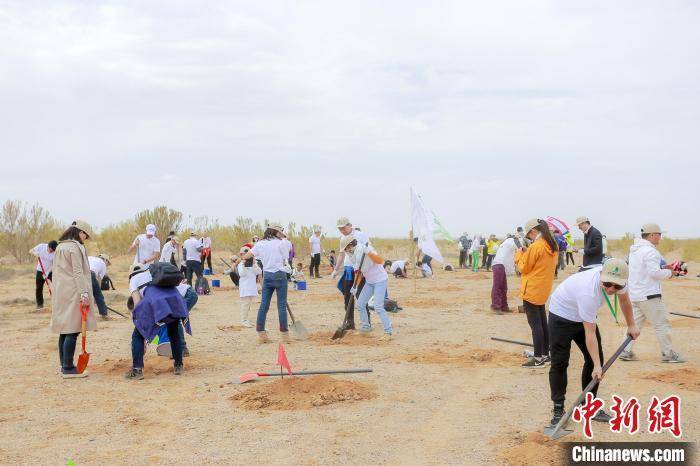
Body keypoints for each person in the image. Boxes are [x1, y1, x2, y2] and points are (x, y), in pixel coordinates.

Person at [547, 259, 640, 427]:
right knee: (560, 362)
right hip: (561, 315)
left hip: (582, 316)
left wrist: (632, 324)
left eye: (617, 286)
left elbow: (625, 301)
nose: (611, 289)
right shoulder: (588, 292)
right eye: (607, 284)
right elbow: (590, 333)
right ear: (601, 276)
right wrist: (598, 365)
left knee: (595, 359)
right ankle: (558, 408)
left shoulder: (619, 279)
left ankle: (589, 405)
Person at [620, 223, 685, 363]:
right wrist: (670, 273)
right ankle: (668, 354)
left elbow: (644, 269)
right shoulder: (650, 251)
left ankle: (625, 351)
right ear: (652, 235)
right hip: (650, 295)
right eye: (659, 234)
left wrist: (665, 267)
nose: (660, 237)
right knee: (662, 324)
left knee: (633, 325)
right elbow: (654, 272)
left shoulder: (634, 250)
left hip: (636, 295)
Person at [50, 220, 96, 378]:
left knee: (64, 329)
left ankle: (64, 365)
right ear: (80, 232)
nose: (85, 238)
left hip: (61, 291)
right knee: (73, 330)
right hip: (73, 292)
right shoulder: (75, 248)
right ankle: (68, 368)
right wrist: (84, 294)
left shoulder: (60, 246)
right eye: (85, 235)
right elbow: (78, 272)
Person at [126, 263, 187, 379]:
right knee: (173, 332)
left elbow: (137, 303)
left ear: (131, 274)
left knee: (137, 336)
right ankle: (178, 366)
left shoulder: (133, 279)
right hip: (174, 300)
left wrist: (137, 322)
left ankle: (137, 370)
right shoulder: (155, 273)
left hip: (155, 302)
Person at [516, 219, 558, 367]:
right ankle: (545, 355)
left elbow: (523, 268)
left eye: (529, 236)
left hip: (532, 289)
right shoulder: (552, 245)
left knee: (535, 325)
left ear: (533, 231)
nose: (529, 238)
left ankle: (538, 357)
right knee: (542, 323)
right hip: (542, 289)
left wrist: (519, 256)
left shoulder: (537, 246)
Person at [240, 223, 291, 343]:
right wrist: (283, 236)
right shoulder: (282, 242)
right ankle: (285, 335)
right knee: (281, 305)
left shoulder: (260, 244)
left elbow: (247, 255)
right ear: (276, 232)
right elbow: (286, 256)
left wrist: (242, 258)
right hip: (279, 274)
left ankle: (261, 333)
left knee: (264, 305)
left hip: (267, 275)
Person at [342, 235, 393, 340]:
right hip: (369, 282)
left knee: (378, 306)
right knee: (360, 304)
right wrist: (355, 286)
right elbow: (359, 272)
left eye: (346, 248)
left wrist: (369, 252)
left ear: (351, 245)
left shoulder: (364, 249)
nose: (346, 251)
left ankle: (388, 332)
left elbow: (380, 261)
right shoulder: (353, 256)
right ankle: (366, 327)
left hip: (380, 280)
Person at [332, 217, 371, 329]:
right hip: (348, 269)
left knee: (360, 295)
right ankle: (350, 322)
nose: (342, 230)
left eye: (343, 228)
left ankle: (367, 322)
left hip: (359, 270)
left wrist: (365, 269)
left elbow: (369, 249)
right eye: (340, 229)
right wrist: (336, 269)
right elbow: (341, 254)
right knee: (347, 295)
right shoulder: (342, 239)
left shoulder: (360, 235)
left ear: (350, 225)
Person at [491, 235, 518, 313]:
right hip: (499, 265)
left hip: (500, 266)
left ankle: (504, 306)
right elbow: (520, 247)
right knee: (498, 286)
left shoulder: (507, 244)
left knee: (504, 287)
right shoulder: (510, 242)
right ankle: (495, 306)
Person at [237, 246, 260, 328]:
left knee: (248, 305)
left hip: (251, 288)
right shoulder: (240, 264)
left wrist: (254, 264)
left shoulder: (253, 264)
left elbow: (258, 272)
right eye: (244, 253)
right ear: (241, 255)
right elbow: (242, 274)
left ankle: (246, 319)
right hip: (245, 287)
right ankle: (244, 320)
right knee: (245, 304)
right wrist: (243, 264)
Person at [30, 240, 57, 310]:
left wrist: (47, 272)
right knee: (39, 288)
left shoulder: (56, 253)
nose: (50, 252)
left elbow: (54, 265)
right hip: (40, 270)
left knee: (55, 286)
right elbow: (31, 250)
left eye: (52, 251)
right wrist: (35, 253)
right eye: (50, 250)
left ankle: (57, 304)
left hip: (50, 271)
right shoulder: (41, 246)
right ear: (48, 246)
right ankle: (40, 305)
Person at [88, 254, 111, 319]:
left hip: (79, 274)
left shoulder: (90, 257)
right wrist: (96, 296)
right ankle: (104, 314)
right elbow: (99, 282)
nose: (107, 265)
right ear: (106, 260)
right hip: (90, 273)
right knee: (99, 295)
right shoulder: (103, 264)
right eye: (108, 263)